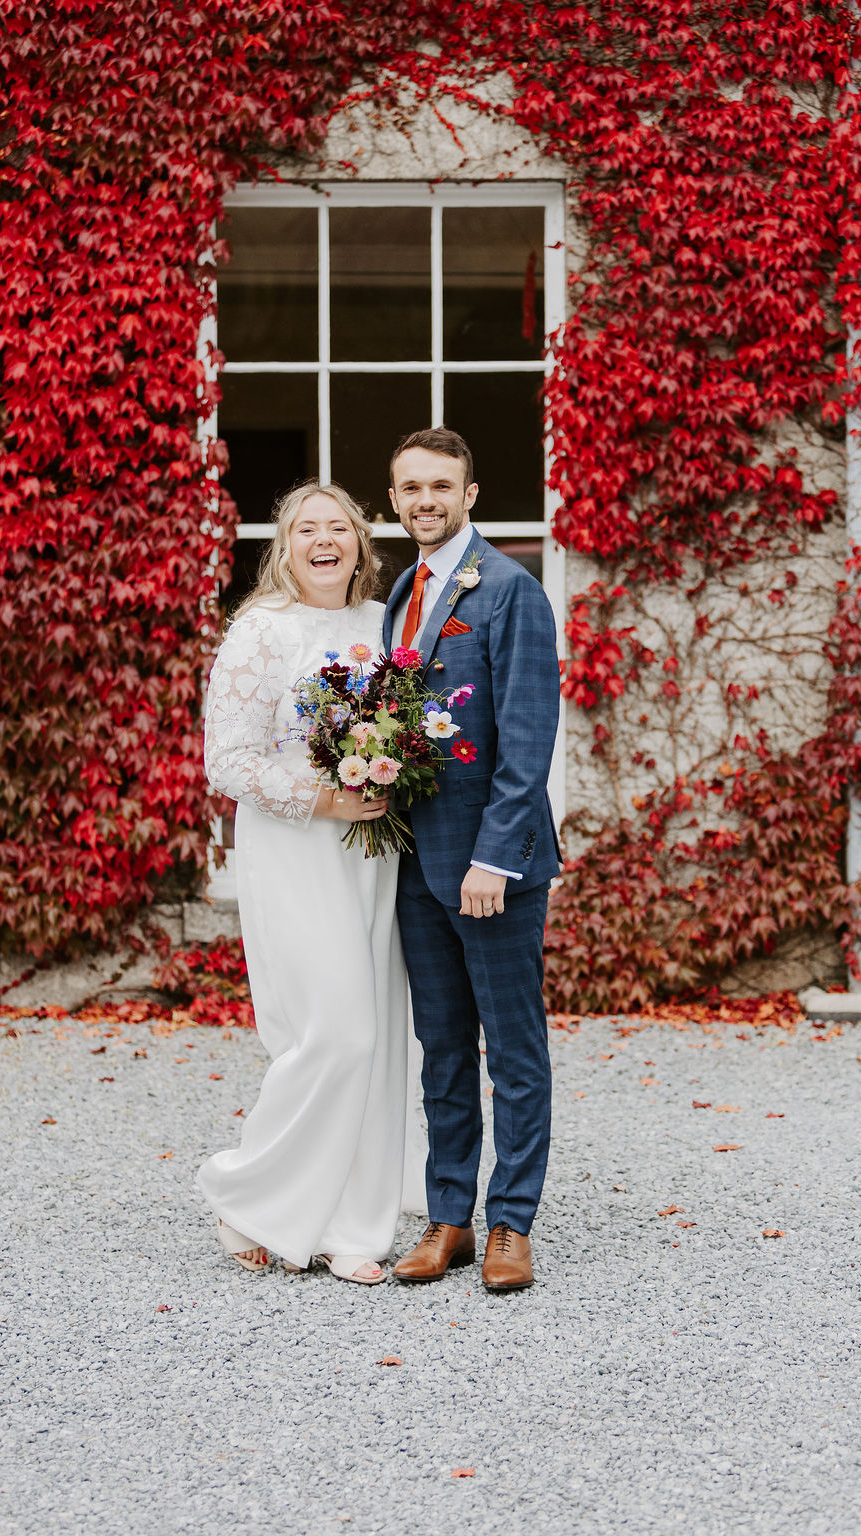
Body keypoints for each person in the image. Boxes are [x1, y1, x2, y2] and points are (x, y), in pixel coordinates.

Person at [196, 480, 411, 1285]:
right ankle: (250, 1197)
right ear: (285, 549)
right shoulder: (261, 630)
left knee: (380, 1037)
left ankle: (353, 1226)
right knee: (334, 1031)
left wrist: (395, 772)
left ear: (360, 543)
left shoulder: (384, 623)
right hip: (295, 847)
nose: (325, 541)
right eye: (306, 529)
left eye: (339, 528)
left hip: (374, 852)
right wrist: (326, 798)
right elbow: (228, 760)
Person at [383, 427, 561, 1292]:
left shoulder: (509, 589)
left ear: (469, 495)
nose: (427, 500)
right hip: (416, 865)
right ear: (394, 499)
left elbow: (527, 743)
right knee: (443, 1050)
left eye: (441, 486)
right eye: (412, 488)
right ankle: (448, 1216)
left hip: (491, 870)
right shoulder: (402, 591)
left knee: (513, 1051)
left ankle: (511, 1224)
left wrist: (494, 860)